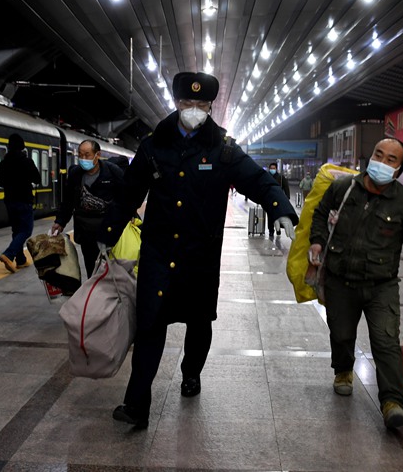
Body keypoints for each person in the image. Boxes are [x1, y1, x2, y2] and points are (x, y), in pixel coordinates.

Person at [99, 71, 299, 430]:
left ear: (210, 107)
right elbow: (128, 193)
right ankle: (136, 404)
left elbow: (256, 179)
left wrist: (280, 208)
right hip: (159, 251)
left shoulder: (222, 148)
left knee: (199, 320)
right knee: (150, 324)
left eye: (202, 105)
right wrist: (107, 233)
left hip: (201, 254)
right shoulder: (153, 146)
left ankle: (191, 373)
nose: (194, 110)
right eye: (188, 103)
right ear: (176, 104)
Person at [307, 137, 403, 430]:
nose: (382, 161)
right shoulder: (343, 188)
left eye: (391, 159)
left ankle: (393, 401)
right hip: (341, 280)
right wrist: (317, 242)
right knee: (341, 334)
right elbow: (319, 215)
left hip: (382, 285)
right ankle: (343, 371)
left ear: (399, 168)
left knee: (386, 342)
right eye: (379, 154)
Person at [51, 140, 124, 272]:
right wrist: (60, 221)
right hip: (85, 230)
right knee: (91, 267)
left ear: (98, 155)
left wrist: (130, 216)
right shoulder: (75, 174)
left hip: (107, 229)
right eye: (80, 155)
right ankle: (94, 290)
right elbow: (68, 201)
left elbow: (126, 197)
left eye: (87, 154)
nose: (83, 158)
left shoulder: (112, 172)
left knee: (110, 268)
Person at [0, 133, 41, 273]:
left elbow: (0, 182)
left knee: (16, 230)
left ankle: (20, 260)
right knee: (26, 230)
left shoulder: (3, 163)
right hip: (24, 200)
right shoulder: (27, 162)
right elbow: (37, 179)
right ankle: (9, 254)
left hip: (9, 201)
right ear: (22, 147)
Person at [266, 162, 291, 238]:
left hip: (278, 199)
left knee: (278, 215)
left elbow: (286, 187)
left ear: (276, 169)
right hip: (269, 199)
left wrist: (287, 197)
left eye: (274, 168)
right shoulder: (266, 176)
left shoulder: (280, 177)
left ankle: (278, 229)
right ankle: (271, 230)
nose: (272, 169)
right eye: (271, 168)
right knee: (270, 215)